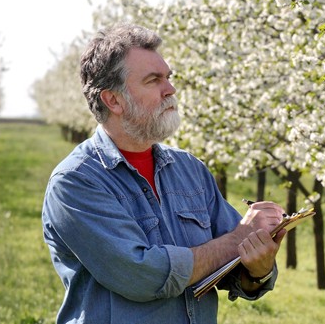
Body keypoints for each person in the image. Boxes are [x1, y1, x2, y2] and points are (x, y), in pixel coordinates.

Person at [41, 23, 287, 324]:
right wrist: (238, 239)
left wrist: (258, 267)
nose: (169, 89)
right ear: (113, 100)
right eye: (153, 80)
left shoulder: (189, 170)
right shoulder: (76, 182)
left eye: (167, 77)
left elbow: (233, 267)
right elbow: (143, 274)